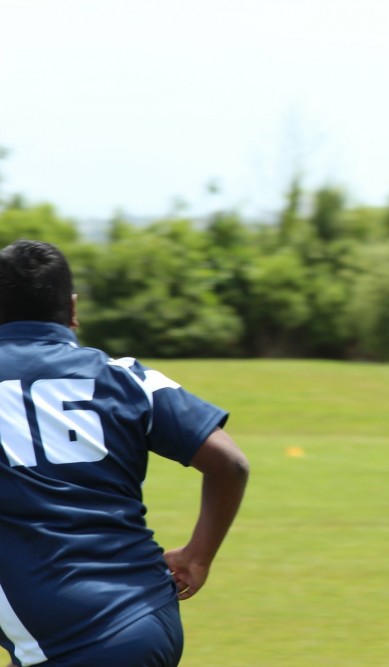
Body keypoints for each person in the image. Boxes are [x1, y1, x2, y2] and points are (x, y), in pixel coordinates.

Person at [0, 240, 250, 667]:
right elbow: (230, 463)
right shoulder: (128, 377)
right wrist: (197, 556)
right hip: (149, 615)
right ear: (73, 309)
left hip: (72, 641)